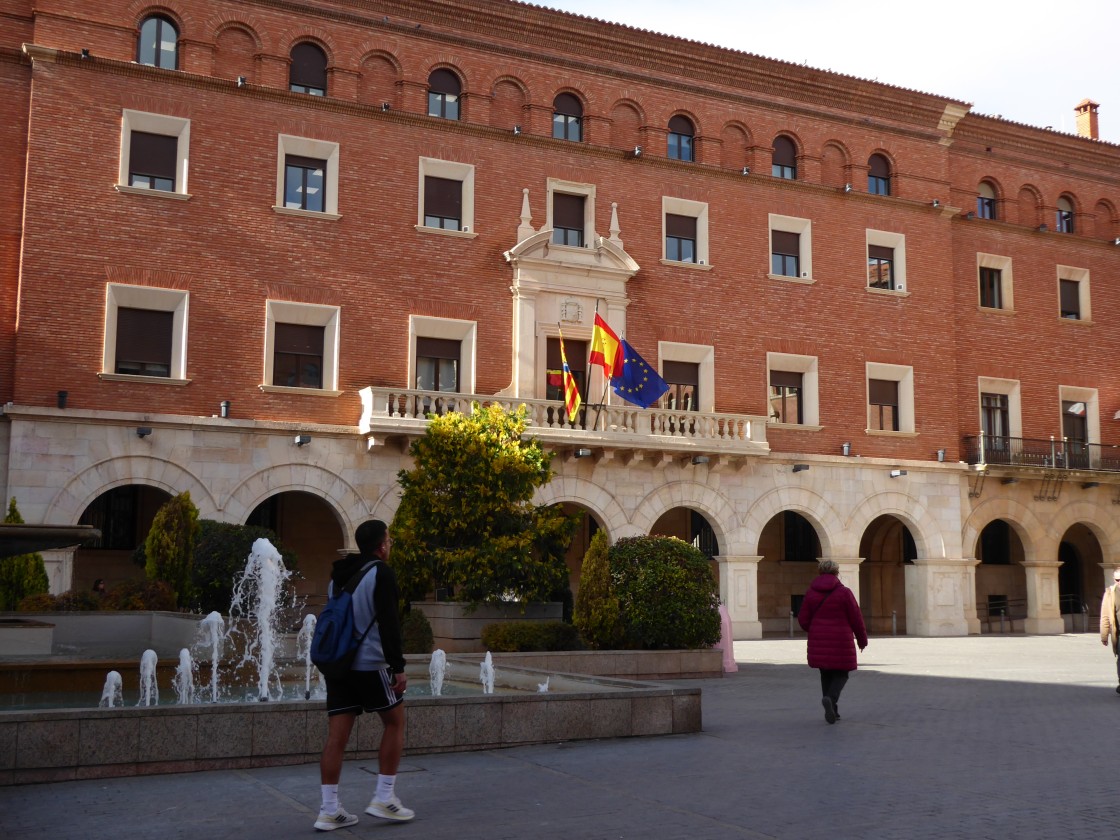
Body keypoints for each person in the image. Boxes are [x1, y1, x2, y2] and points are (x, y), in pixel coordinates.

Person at [315, 519, 414, 830]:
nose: (391, 544)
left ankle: (329, 809)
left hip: (339, 665)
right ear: (381, 545)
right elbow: (388, 623)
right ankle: (384, 797)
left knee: (336, 737)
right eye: (389, 539)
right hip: (370, 664)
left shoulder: (338, 578)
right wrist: (397, 667)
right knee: (395, 722)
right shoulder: (380, 573)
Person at [797, 559, 868, 724]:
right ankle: (830, 698)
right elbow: (856, 618)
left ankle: (832, 709)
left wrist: (815, 629)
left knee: (825, 673)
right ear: (837, 572)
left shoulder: (811, 592)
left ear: (820, 572)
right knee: (842, 673)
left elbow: (803, 619)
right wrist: (862, 640)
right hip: (841, 639)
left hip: (818, 638)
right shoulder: (844, 593)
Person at [1099, 568, 1120, 693]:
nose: (1119, 582)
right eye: (1117, 579)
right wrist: (1104, 635)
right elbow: (1105, 616)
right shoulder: (1110, 593)